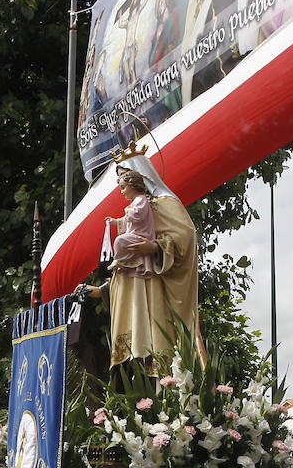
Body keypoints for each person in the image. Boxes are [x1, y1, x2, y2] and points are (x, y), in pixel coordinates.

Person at [84, 150, 204, 372]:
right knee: (126, 354)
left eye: (126, 177)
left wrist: (155, 247)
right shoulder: (135, 207)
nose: (122, 186)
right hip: (128, 284)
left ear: (140, 176)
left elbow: (186, 236)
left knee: (154, 352)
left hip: (153, 283)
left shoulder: (164, 203)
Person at [105, 175, 156, 278]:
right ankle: (125, 262)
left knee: (120, 241)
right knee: (121, 241)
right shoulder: (136, 202)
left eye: (123, 187)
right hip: (135, 234)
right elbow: (127, 220)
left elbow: (137, 215)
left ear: (132, 186)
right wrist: (116, 222)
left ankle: (121, 260)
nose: (121, 192)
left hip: (142, 235)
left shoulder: (141, 199)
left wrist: (127, 210)